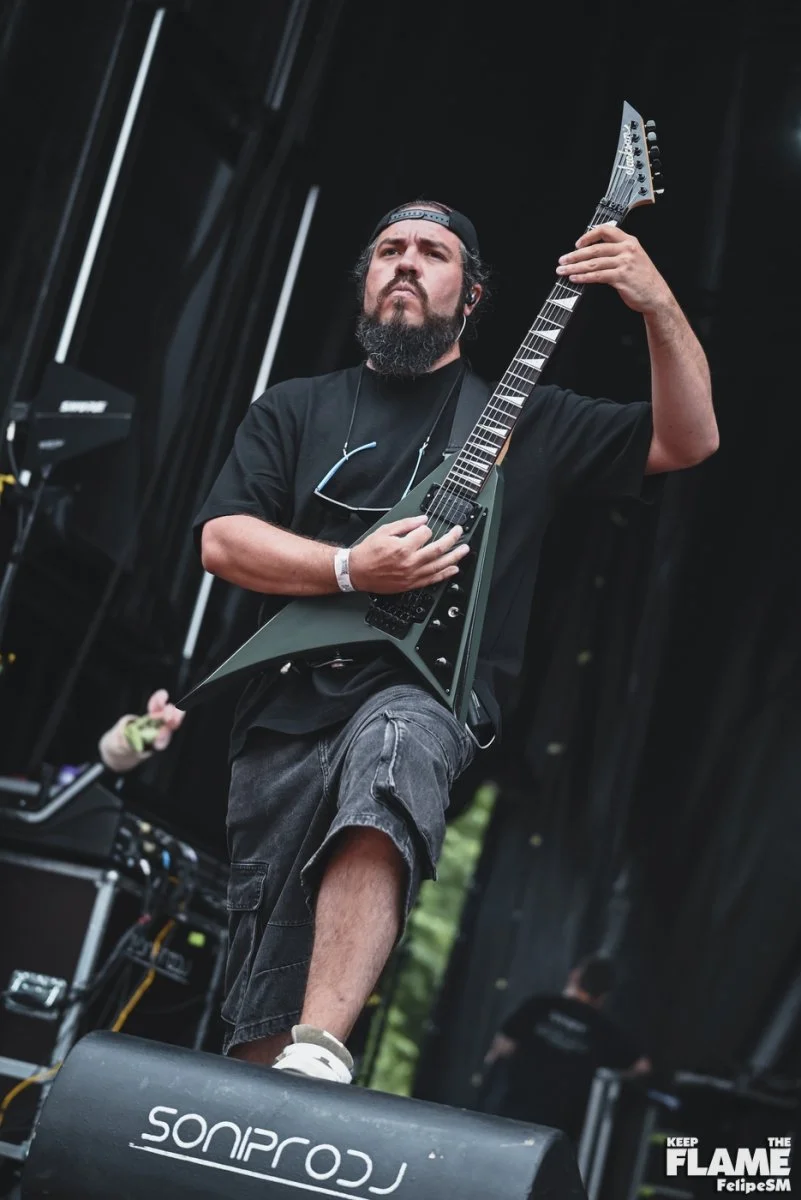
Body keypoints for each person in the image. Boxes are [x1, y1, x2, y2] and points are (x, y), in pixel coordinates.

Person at [194, 199, 718, 1084]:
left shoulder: (528, 421)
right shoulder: (295, 408)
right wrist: (351, 568)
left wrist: (655, 303)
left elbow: (689, 437)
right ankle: (262, 1106)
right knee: (261, 987)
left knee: (393, 748)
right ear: (365, 281)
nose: (405, 262)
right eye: (388, 250)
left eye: (432, 253)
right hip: (286, 711)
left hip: (427, 695)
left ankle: (321, 1049)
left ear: (470, 297)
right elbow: (222, 541)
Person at [484, 956, 651, 1140]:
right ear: (605, 994)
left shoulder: (540, 1005)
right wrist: (606, 1078)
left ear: (575, 976)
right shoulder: (605, 1031)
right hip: (559, 1127)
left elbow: (502, 1047)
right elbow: (642, 1067)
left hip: (512, 1112)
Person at [98, 688, 185, 773]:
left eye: (131, 728)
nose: (141, 728)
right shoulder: (168, 746)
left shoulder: (150, 704)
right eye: (133, 741)